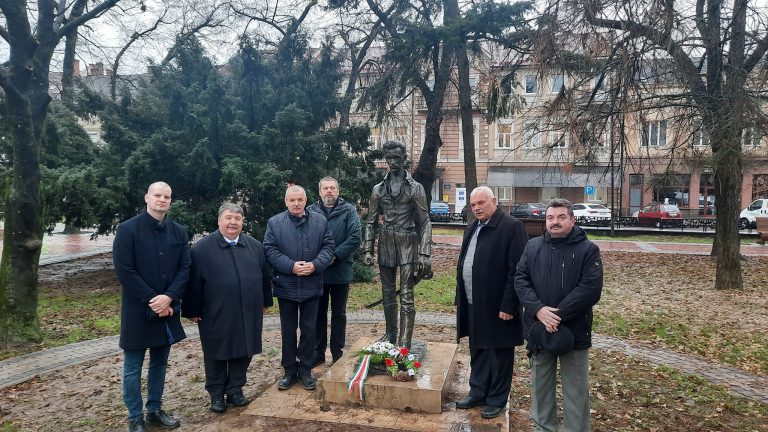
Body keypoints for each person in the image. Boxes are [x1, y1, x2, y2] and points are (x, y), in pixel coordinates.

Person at [515, 198, 603, 432]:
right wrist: (540, 311)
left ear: (572, 220)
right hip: (539, 330)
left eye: (561, 217)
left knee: (576, 391)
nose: (555, 222)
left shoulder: (588, 250)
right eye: (550, 218)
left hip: (574, 333)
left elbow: (590, 289)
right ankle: (543, 428)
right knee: (541, 387)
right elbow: (521, 280)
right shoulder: (532, 247)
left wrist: (557, 315)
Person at [113, 181, 190, 432]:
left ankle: (154, 409)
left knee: (159, 363)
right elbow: (125, 270)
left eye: (167, 196)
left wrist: (169, 297)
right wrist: (153, 299)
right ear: (147, 197)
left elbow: (184, 267)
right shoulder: (127, 230)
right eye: (157, 195)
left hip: (167, 309)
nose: (162, 200)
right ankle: (135, 416)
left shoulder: (178, 231)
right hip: (138, 310)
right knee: (133, 367)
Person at [183, 203, 272, 413]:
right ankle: (216, 394)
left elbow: (264, 277)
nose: (233, 222)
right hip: (215, 311)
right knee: (216, 352)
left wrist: (265, 302)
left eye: (237, 219)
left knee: (245, 349)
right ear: (219, 220)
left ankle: (235, 389)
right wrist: (192, 310)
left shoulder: (255, 246)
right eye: (228, 218)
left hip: (248, 309)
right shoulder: (201, 249)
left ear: (242, 222)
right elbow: (192, 283)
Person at [454, 186, 528, 419]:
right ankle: (478, 392)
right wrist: (460, 297)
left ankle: (497, 399)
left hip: (498, 306)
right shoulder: (473, 226)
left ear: (494, 201)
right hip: (473, 301)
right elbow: (464, 263)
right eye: (473, 204)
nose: (476, 208)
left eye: (481, 203)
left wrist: (509, 305)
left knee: (499, 353)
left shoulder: (511, 227)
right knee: (478, 349)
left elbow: (516, 270)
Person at [264, 185, 335, 391]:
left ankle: (305, 369)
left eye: (300, 200)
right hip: (286, 285)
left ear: (306, 200)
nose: (296, 204)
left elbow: (328, 246)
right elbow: (269, 249)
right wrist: (291, 266)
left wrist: (315, 265)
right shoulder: (275, 223)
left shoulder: (320, 221)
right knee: (287, 330)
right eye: (292, 200)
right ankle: (289, 370)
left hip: (312, 285)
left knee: (309, 329)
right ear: (286, 202)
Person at [363, 140, 432, 349]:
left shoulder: (415, 188)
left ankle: (404, 341)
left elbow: (425, 221)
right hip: (386, 243)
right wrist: (368, 249)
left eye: (396, 158)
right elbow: (371, 221)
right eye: (389, 158)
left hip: (408, 243)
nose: (392, 162)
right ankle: (391, 334)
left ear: (404, 159)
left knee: (407, 295)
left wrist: (425, 254)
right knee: (387, 293)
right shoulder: (378, 189)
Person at [307, 177, 362, 366]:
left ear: (338, 191)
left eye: (332, 188)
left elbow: (355, 237)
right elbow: (305, 237)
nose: (329, 191)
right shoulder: (311, 211)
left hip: (340, 269)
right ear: (320, 191)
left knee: (339, 314)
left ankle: (338, 353)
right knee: (318, 313)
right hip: (318, 271)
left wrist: (334, 256)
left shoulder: (349, 210)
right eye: (325, 188)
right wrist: (320, 259)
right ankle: (318, 352)